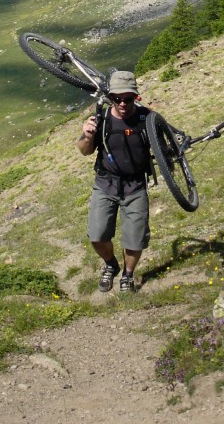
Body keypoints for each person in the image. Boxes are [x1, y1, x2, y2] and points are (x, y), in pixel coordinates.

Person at [76, 70, 152, 293]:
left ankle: (128, 274)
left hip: (135, 186)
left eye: (127, 98)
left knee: (135, 240)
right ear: (111, 97)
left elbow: (163, 144)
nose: (122, 103)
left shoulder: (146, 118)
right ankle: (111, 265)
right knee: (97, 235)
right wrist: (87, 136)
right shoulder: (102, 119)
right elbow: (83, 151)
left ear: (135, 97)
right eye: (117, 98)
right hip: (105, 184)